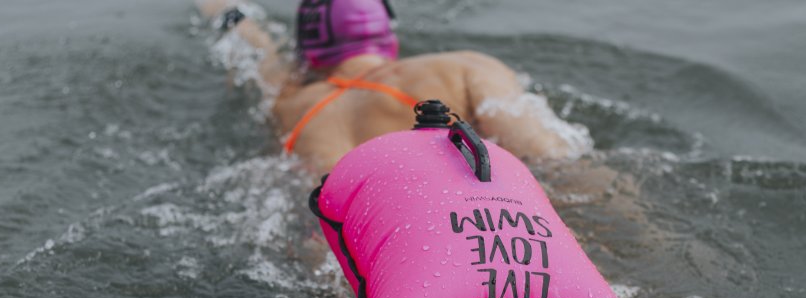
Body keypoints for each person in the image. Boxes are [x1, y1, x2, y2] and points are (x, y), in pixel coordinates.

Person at [195, 0, 593, 174]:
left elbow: (252, 43)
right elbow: (549, 158)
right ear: (387, 34)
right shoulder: (464, 68)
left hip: (337, 246)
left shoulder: (286, 100)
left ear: (309, 53)